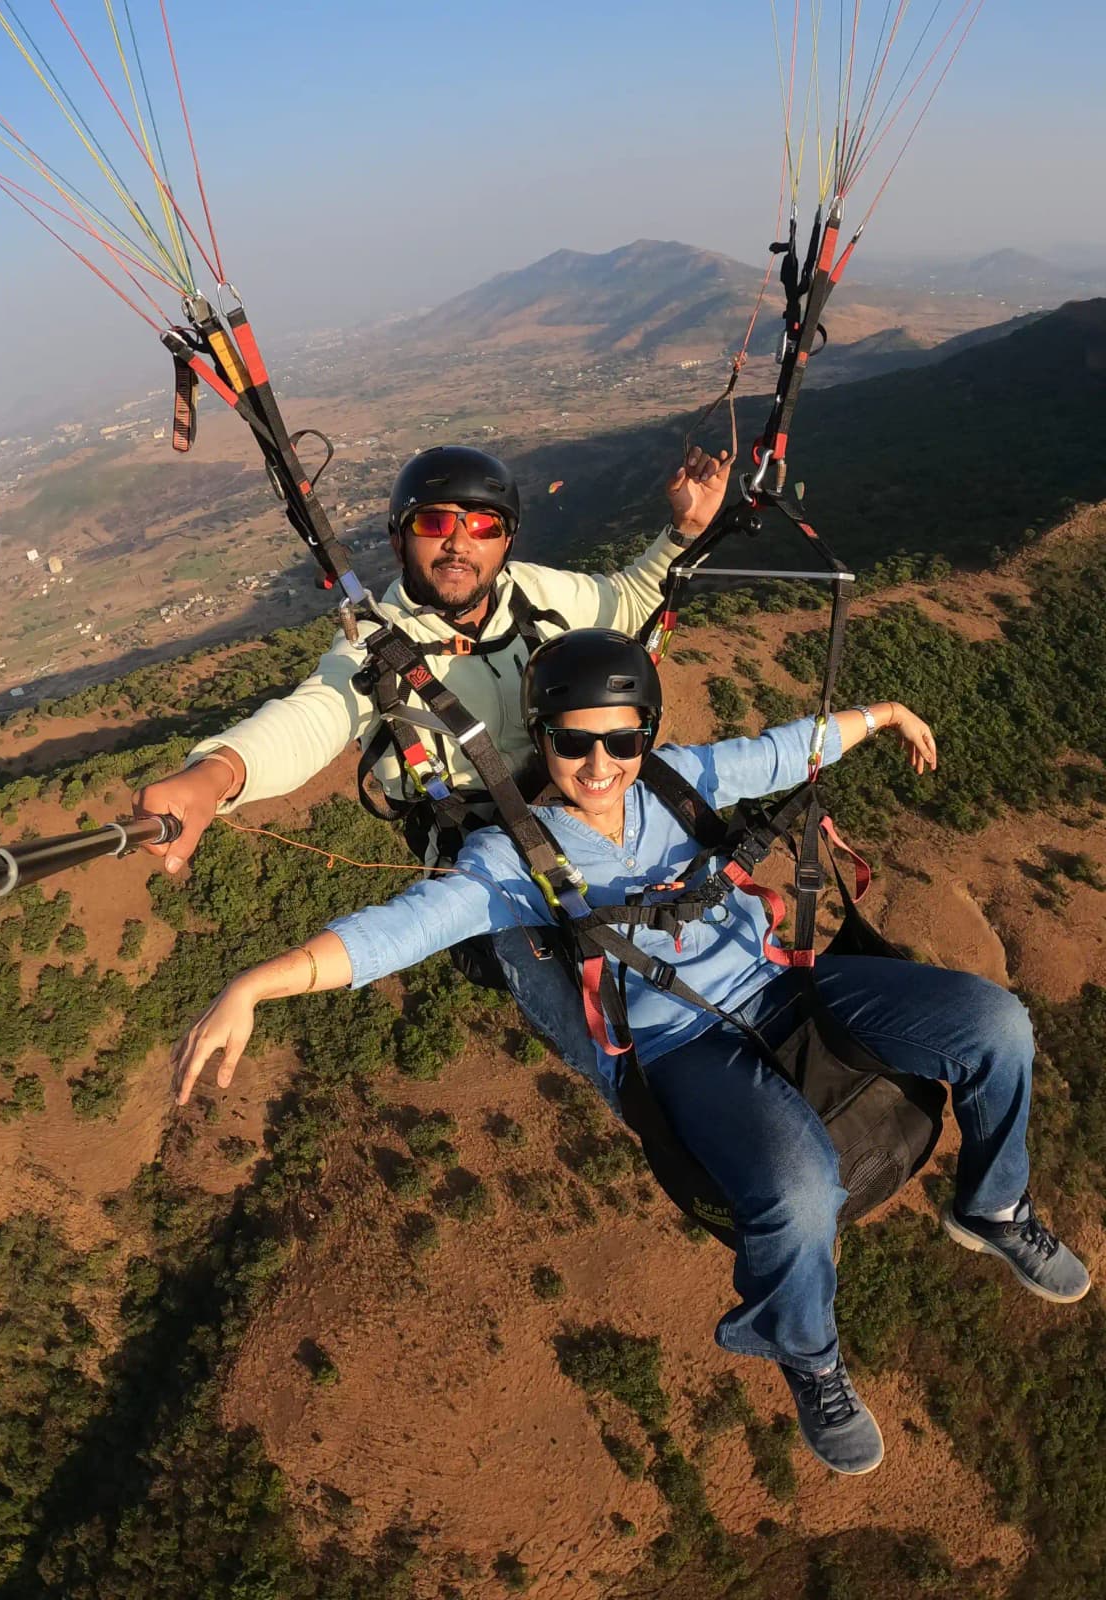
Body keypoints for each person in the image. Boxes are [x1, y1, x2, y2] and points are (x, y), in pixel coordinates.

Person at [171, 628, 1091, 1478]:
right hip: (677, 1045)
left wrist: (881, 716)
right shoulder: (514, 857)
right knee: (800, 1188)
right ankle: (807, 1350)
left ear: (648, 733)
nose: (599, 764)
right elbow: (400, 930)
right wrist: (260, 982)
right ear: (542, 738)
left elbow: (776, 751)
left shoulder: (674, 782)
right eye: (574, 743)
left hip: (778, 982)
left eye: (622, 740)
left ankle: (995, 1205)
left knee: (996, 1023)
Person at [137, 442, 729, 1073]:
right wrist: (218, 774)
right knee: (619, 1040)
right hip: (491, 872)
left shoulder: (536, 595)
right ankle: (645, 1082)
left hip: (580, 816)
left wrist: (685, 532)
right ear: (400, 540)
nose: (458, 543)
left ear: (505, 542)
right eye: (435, 522)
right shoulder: (376, 648)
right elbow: (313, 715)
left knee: (702, 890)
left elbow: (630, 602)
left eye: (482, 526)